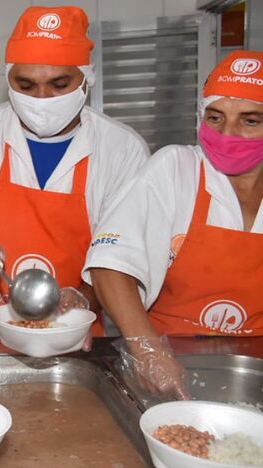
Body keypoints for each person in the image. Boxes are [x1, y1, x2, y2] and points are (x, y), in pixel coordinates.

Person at [0, 6, 149, 337]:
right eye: (25, 85)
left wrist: (84, 298)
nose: (41, 99)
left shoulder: (122, 149)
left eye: (59, 84)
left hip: (73, 333)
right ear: (8, 78)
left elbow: (121, 258)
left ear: (86, 78)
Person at [86, 50, 263, 399]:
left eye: (250, 120)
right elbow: (110, 265)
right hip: (167, 359)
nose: (228, 133)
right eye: (215, 117)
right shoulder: (177, 169)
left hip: (252, 364)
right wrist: (147, 349)